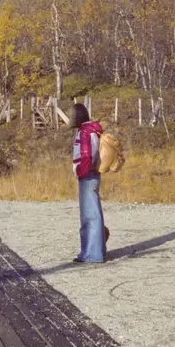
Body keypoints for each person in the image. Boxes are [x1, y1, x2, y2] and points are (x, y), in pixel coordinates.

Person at [69, 102, 107, 263]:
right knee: (93, 213)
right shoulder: (91, 131)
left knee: (90, 215)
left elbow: (86, 156)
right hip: (92, 175)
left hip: (87, 176)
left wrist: (80, 172)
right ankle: (97, 250)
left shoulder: (85, 133)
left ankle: (92, 254)